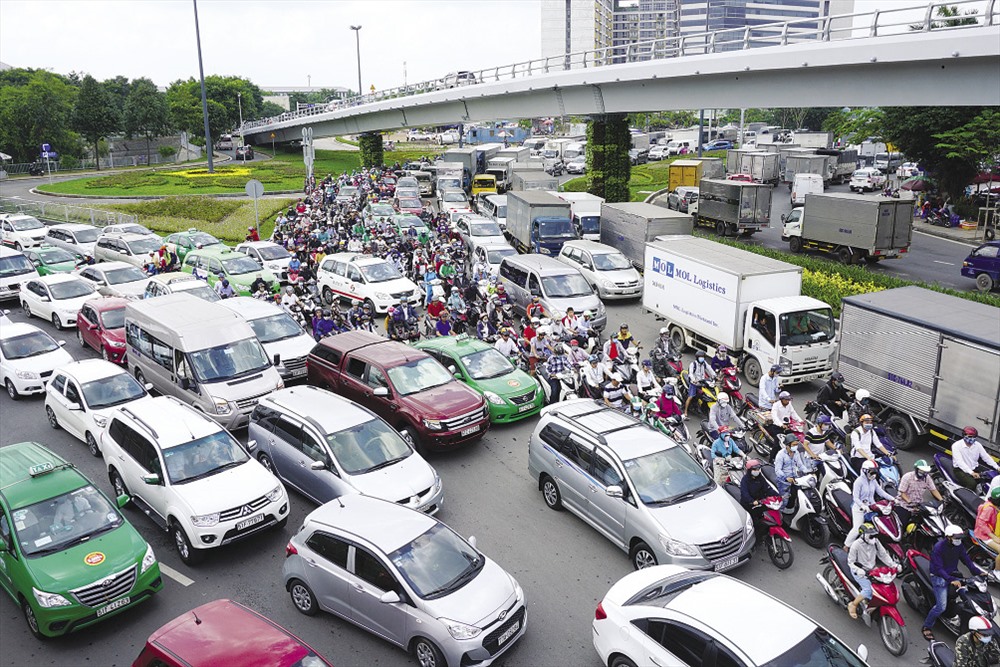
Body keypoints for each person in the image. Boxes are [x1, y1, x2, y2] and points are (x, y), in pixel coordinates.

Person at [922, 525, 986, 641]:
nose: (958, 540)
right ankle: (927, 626)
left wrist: (978, 573)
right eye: (956, 538)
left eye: (959, 538)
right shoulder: (938, 547)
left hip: (953, 574)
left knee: (968, 597)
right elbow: (939, 569)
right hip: (939, 577)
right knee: (941, 607)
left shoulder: (959, 545)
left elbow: (966, 560)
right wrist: (951, 580)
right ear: (948, 537)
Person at [846, 523, 899, 620]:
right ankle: (853, 605)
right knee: (868, 590)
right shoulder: (856, 545)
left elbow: (883, 554)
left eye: (874, 534)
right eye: (871, 535)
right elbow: (851, 562)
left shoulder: (875, 542)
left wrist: (893, 565)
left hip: (872, 570)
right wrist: (859, 570)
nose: (873, 537)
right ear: (863, 534)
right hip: (860, 571)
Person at [845, 460, 896, 547]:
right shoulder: (858, 482)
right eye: (871, 472)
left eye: (875, 472)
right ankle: (846, 545)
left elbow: (881, 492)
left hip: (872, 506)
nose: (873, 474)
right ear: (865, 471)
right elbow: (856, 498)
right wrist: (862, 506)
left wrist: (893, 499)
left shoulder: (873, 481)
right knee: (857, 528)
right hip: (859, 508)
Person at [896, 459, 944, 529]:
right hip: (904, 505)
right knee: (902, 524)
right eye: (921, 471)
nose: (923, 473)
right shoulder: (907, 477)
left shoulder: (927, 478)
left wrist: (941, 500)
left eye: (925, 471)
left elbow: (933, 490)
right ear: (916, 469)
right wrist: (909, 502)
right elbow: (902, 493)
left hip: (919, 506)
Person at [952, 426, 999, 491]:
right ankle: (965, 498)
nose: (972, 439)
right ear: (964, 435)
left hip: (975, 469)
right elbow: (960, 462)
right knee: (972, 484)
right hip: (960, 470)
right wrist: (971, 473)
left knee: (987, 482)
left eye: (974, 437)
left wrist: (997, 467)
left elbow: (986, 457)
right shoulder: (956, 445)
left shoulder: (977, 445)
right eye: (970, 437)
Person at [773, 434, 811, 501]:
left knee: (798, 497)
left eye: (796, 444)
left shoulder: (796, 453)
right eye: (794, 445)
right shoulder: (781, 455)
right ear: (787, 445)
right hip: (784, 481)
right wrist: (786, 478)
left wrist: (807, 472)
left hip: (795, 479)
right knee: (784, 500)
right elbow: (778, 470)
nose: (796, 446)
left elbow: (800, 465)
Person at [740, 459, 771, 539]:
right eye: (754, 469)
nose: (757, 471)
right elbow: (744, 494)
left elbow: (768, 488)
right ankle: (756, 539)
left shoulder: (760, 478)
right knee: (756, 523)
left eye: (758, 469)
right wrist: (752, 501)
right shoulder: (745, 480)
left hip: (760, 502)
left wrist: (778, 496)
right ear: (749, 470)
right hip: (749, 505)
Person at [974, 487, 1000, 578]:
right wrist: (993, 537)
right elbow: (981, 523)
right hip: (984, 535)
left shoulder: (993, 506)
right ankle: (997, 571)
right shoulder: (989, 509)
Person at [683, 351, 716, 419]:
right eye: (701, 357)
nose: (702, 359)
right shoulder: (693, 364)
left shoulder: (704, 363)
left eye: (703, 357)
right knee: (690, 397)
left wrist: (715, 375)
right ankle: (685, 411)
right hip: (694, 383)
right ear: (697, 358)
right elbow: (691, 374)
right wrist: (694, 380)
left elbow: (710, 369)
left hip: (702, 382)